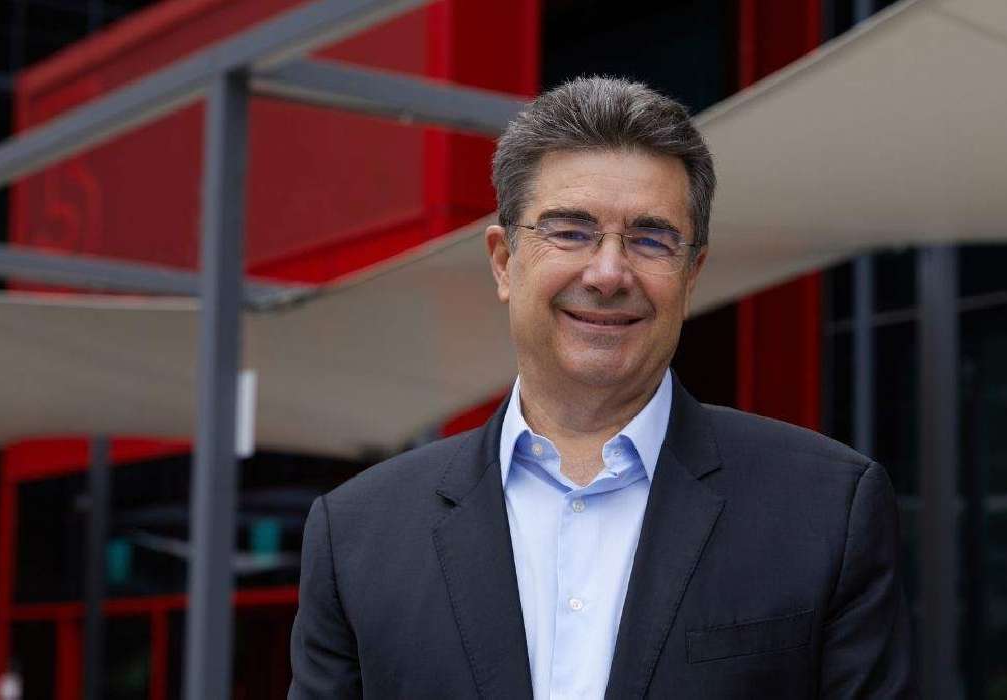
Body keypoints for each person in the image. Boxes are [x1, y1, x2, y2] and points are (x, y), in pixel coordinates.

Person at [289, 76, 915, 699]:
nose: (609, 273)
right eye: (570, 231)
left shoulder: (827, 509)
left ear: (691, 274)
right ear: (504, 261)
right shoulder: (357, 535)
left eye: (651, 239)